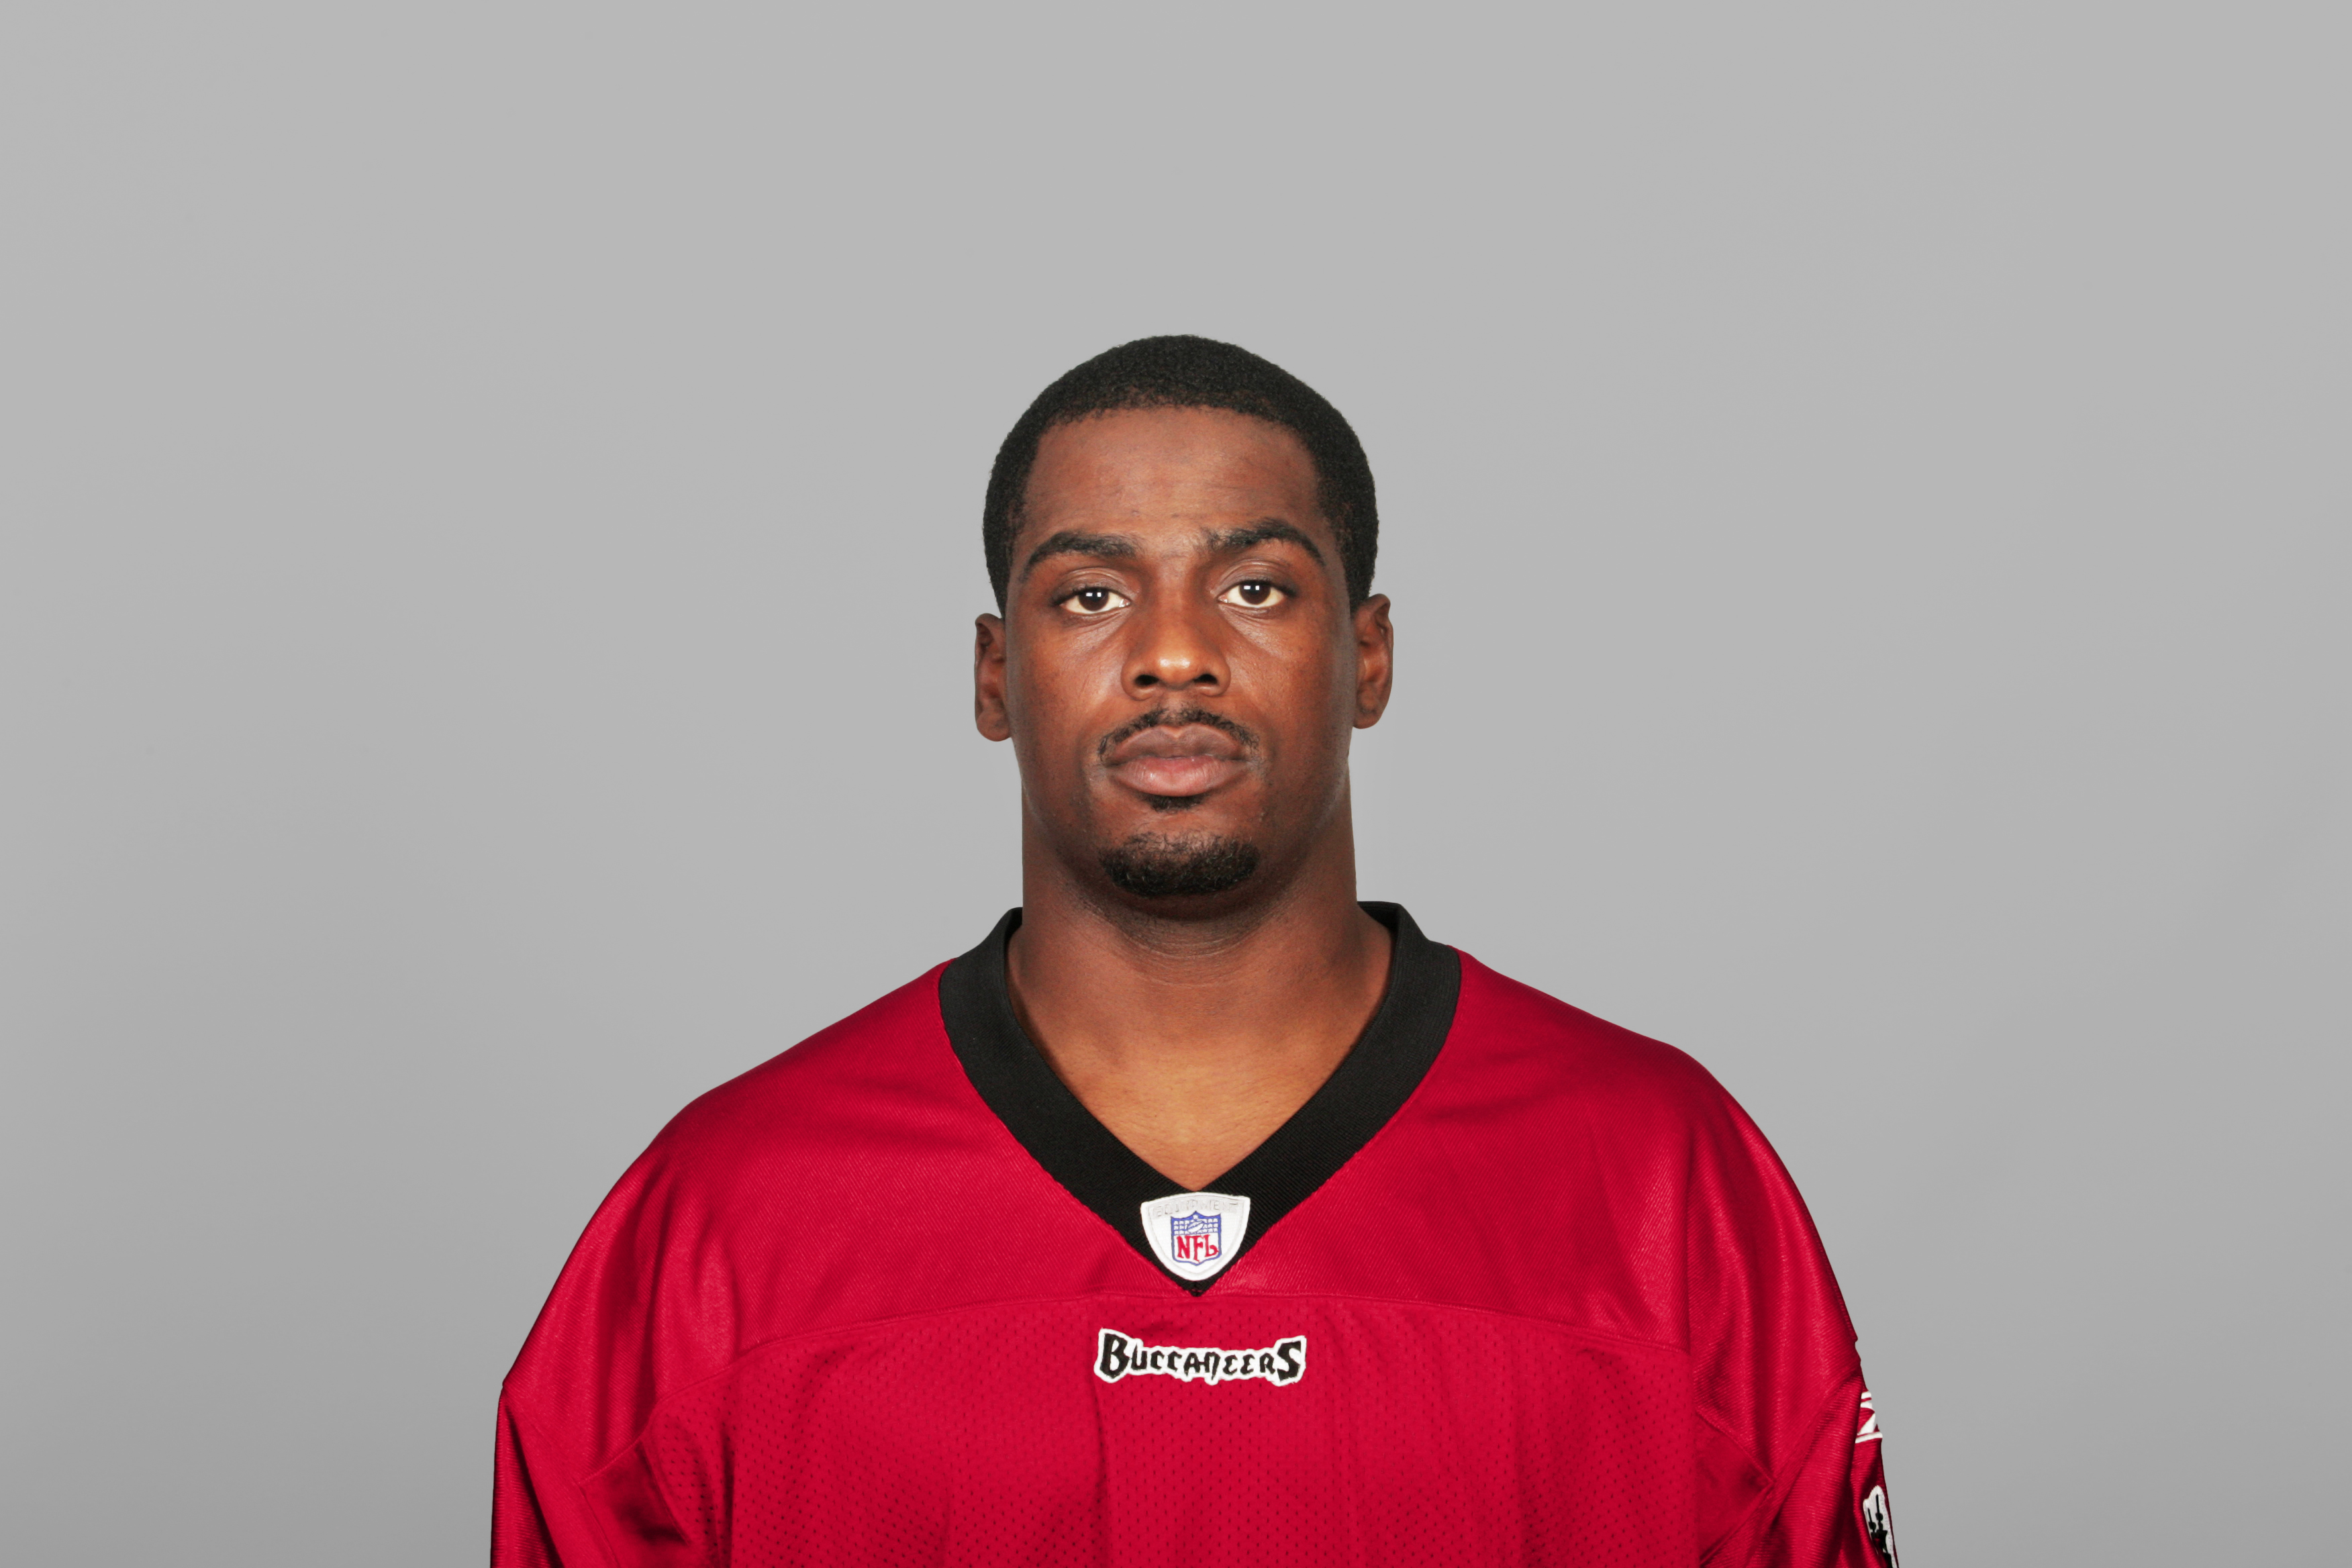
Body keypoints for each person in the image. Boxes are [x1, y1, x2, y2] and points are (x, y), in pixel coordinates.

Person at [491, 336, 1900, 1567]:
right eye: (1091, 596)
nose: (1174, 653)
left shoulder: (1664, 1185)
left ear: (1370, 656)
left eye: (1257, 590)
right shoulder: (726, 1222)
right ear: (995, 674)